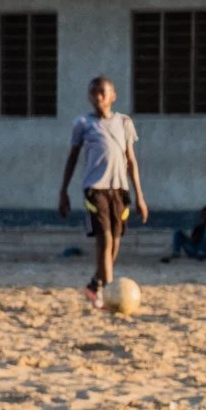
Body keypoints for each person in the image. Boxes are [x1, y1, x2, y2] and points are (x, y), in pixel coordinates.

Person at [57, 76, 148, 306]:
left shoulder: (124, 122)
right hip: (95, 189)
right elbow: (72, 158)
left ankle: (95, 283)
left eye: (102, 92)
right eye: (93, 93)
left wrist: (140, 195)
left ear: (112, 96)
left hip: (119, 189)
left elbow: (131, 160)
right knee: (104, 239)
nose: (97, 97)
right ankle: (108, 293)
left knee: (115, 242)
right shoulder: (83, 124)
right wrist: (63, 190)